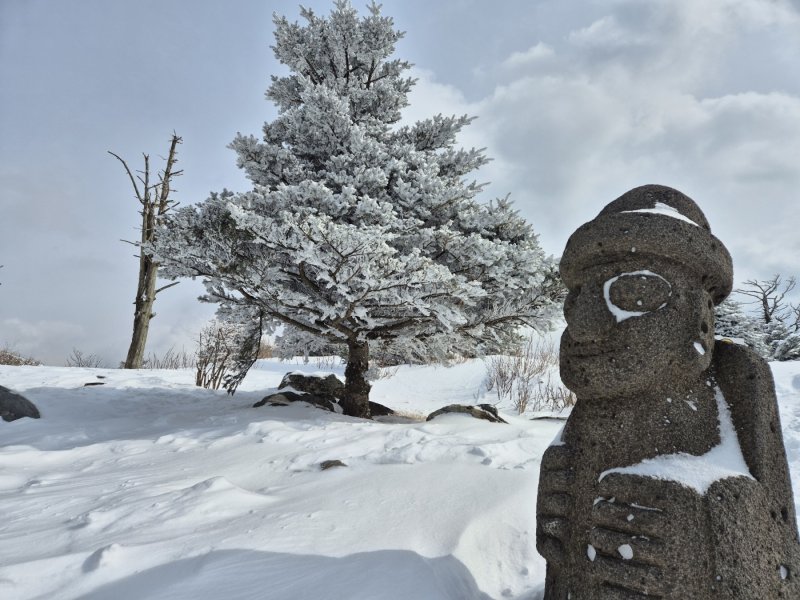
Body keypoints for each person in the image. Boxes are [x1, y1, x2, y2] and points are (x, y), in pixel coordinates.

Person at [537, 184, 800, 599]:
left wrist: (716, 526)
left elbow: (780, 562)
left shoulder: (738, 380)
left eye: (634, 291)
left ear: (700, 317)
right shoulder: (590, 408)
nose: (582, 326)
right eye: (577, 300)